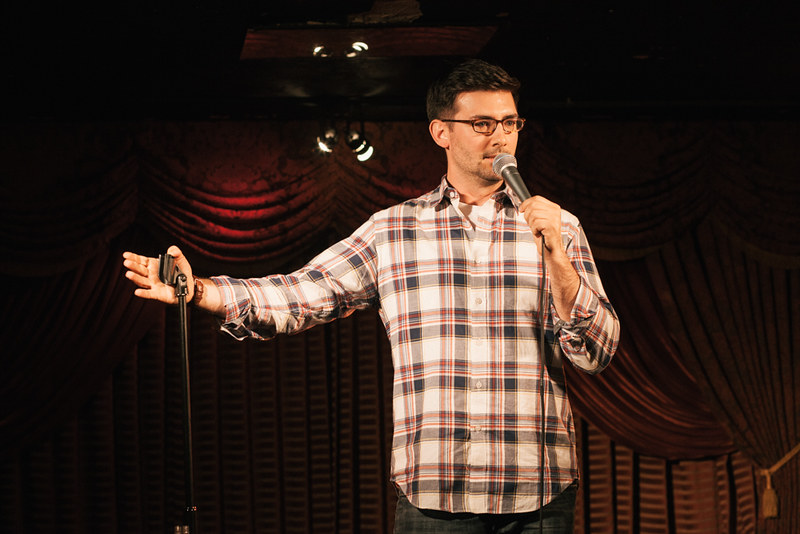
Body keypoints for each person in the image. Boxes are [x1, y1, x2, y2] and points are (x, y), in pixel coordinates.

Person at [123, 59, 620, 533]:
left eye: (510, 123)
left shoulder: (558, 227)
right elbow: (304, 292)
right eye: (483, 123)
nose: (501, 137)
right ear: (440, 132)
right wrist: (201, 292)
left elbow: (596, 352)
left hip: (537, 494)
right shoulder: (393, 231)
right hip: (435, 493)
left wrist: (557, 259)